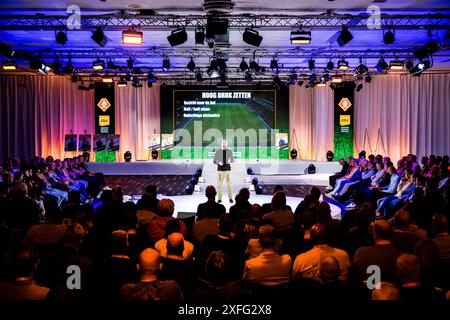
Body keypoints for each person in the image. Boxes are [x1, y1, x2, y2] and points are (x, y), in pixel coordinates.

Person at [352, 220, 404, 284]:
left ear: (375, 234)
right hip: (392, 292)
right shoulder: (402, 255)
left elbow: (353, 277)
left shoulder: (361, 253)